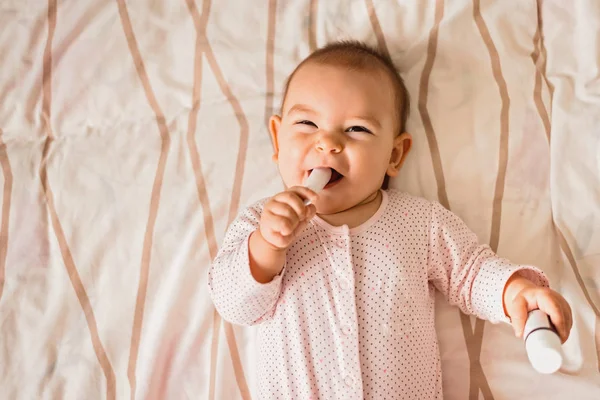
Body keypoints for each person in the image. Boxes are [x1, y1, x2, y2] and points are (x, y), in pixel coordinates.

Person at [207, 40, 572, 399]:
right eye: (306, 123)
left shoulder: (418, 221)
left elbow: (472, 273)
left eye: (356, 129)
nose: (328, 143)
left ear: (394, 155)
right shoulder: (258, 221)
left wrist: (515, 292)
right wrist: (265, 248)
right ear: (277, 138)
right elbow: (234, 304)